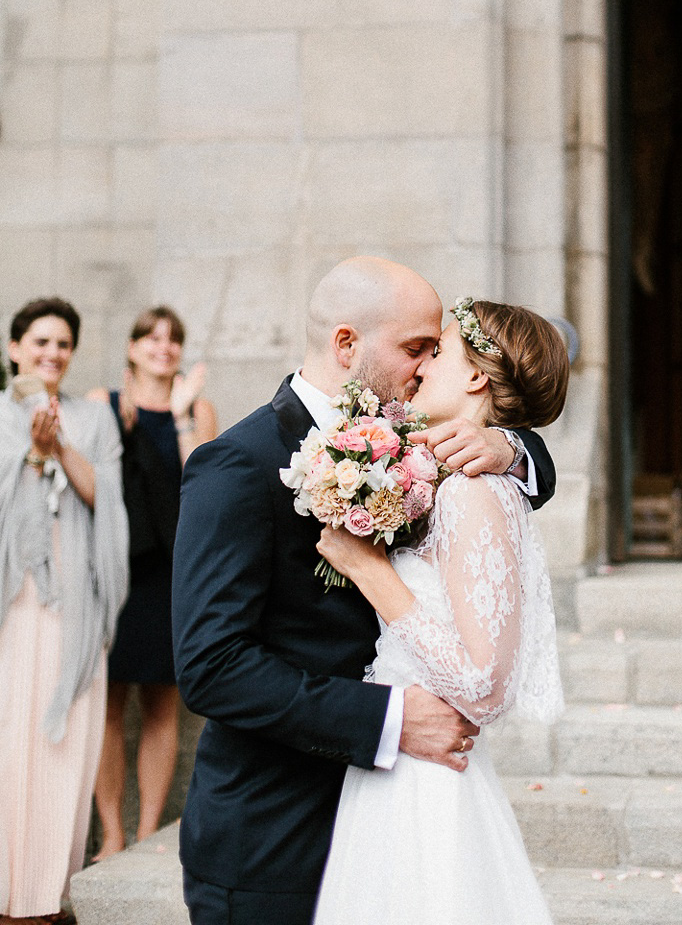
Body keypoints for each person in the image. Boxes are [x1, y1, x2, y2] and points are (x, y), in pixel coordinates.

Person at [172, 257, 557, 925]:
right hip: (278, 831)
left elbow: (522, 475)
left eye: (439, 350)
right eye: (416, 349)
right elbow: (212, 666)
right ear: (346, 345)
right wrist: (391, 721)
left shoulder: (426, 441)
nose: (425, 364)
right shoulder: (238, 464)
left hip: (392, 818)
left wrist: (509, 444)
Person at [313, 297, 568, 925]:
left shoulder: (475, 494)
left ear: (477, 376)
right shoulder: (445, 473)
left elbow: (485, 685)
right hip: (394, 759)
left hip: (425, 778)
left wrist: (370, 570)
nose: (422, 365)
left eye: (439, 349)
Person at [0, 297, 128, 925]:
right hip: (12, 597)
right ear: (15, 348)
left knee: (61, 740)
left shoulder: (95, 417)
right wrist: (26, 448)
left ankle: (45, 893)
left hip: (73, 600)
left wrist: (61, 446)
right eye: (40, 342)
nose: (52, 354)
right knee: (8, 734)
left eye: (63, 345)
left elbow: (108, 499)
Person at [89, 307, 217, 859]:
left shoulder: (201, 409)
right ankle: (111, 832)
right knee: (109, 703)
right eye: (150, 337)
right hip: (118, 567)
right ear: (132, 346)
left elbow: (201, 484)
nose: (162, 347)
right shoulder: (103, 403)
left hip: (171, 572)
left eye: (173, 339)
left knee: (164, 704)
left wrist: (184, 413)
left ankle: (145, 835)